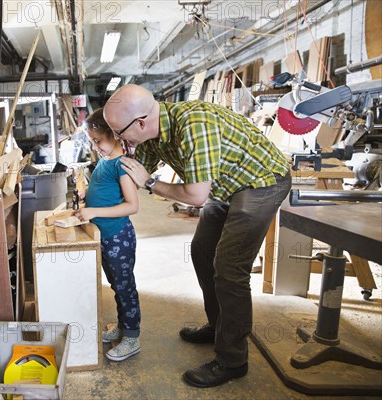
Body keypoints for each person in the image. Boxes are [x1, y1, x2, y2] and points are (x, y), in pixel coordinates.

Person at [103, 84, 291, 387]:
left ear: (140, 122)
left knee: (230, 269)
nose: (117, 139)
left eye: (118, 131)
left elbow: (195, 196)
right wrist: (100, 195)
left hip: (261, 182)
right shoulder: (150, 134)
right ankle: (218, 327)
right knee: (202, 252)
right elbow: (129, 175)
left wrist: (151, 183)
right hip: (225, 185)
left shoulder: (194, 125)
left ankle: (232, 360)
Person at [75, 108, 141, 362]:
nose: (95, 146)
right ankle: (124, 328)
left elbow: (132, 206)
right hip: (105, 237)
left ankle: (132, 336)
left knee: (125, 287)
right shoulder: (104, 162)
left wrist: (93, 211)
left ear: (114, 134)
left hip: (118, 237)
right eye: (92, 141)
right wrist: (85, 200)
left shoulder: (121, 164)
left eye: (98, 140)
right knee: (116, 285)